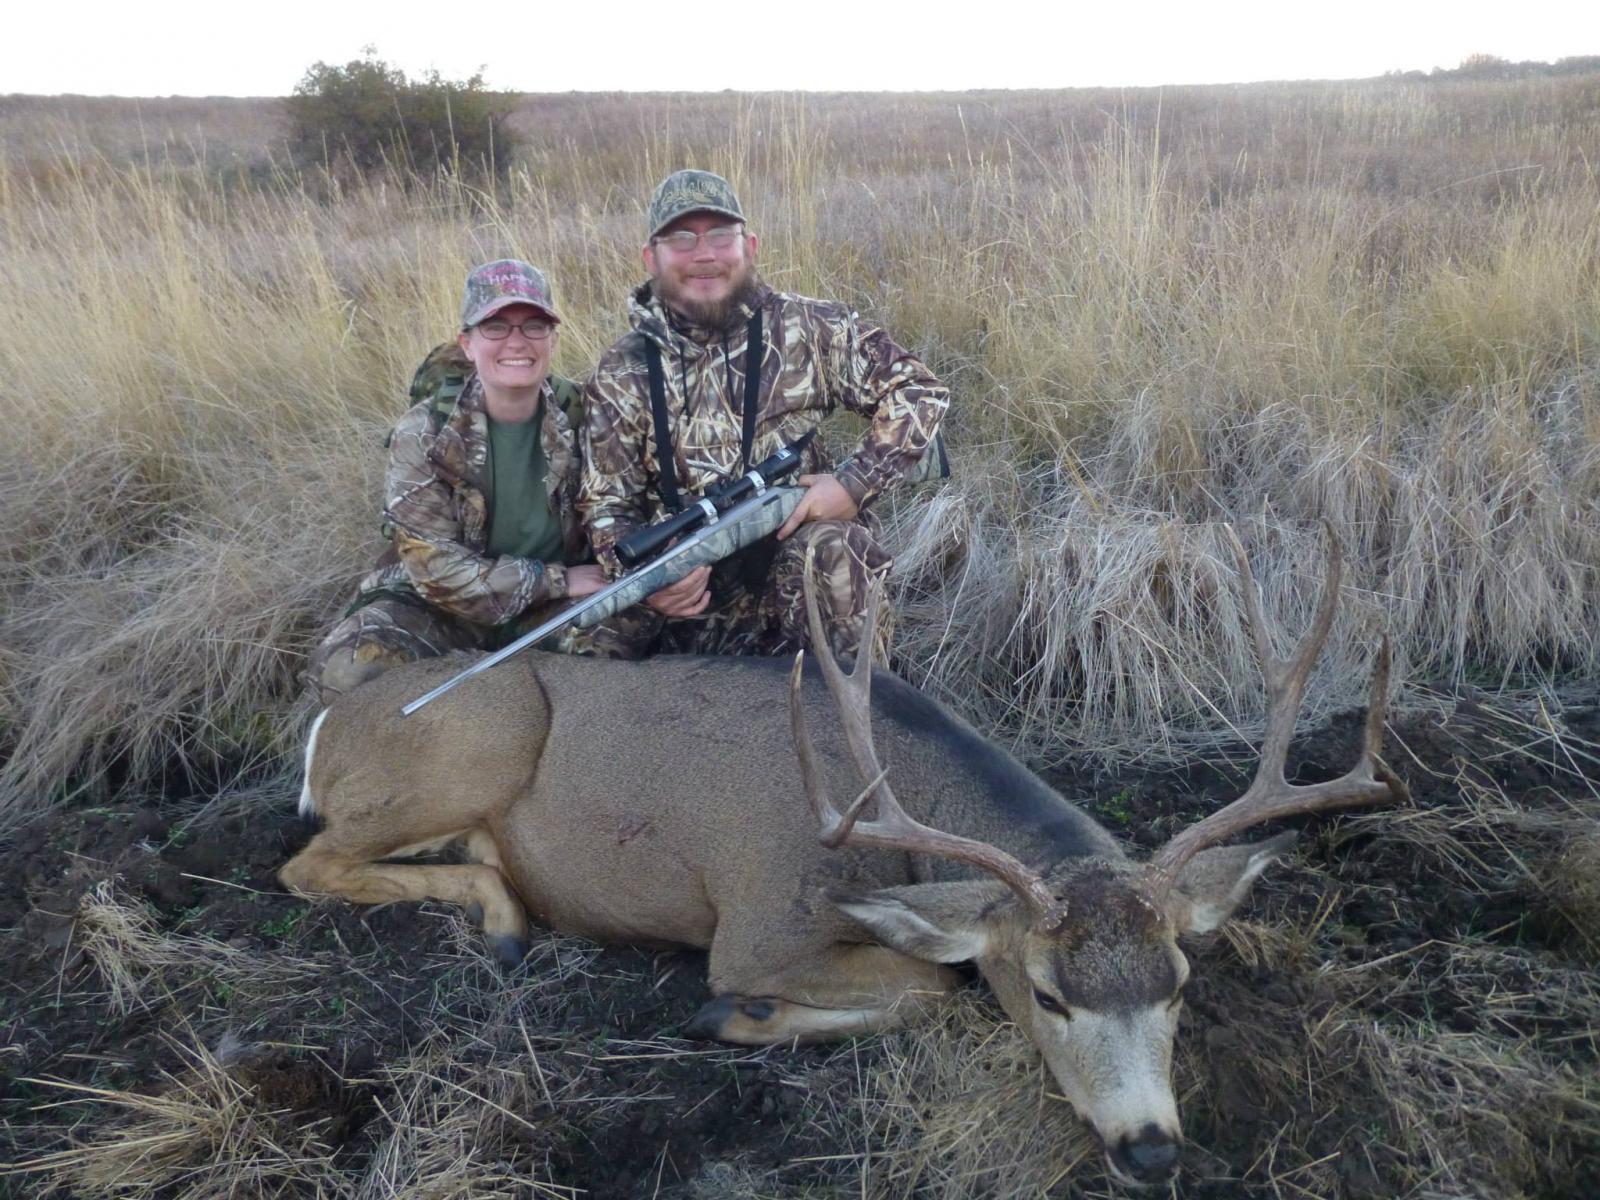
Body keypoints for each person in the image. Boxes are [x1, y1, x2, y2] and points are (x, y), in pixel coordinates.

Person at [581, 170, 950, 662]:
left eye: (720, 234)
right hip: (687, 596)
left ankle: (863, 722)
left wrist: (853, 484)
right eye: (682, 238)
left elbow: (919, 389)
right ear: (651, 258)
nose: (704, 253)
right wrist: (645, 582)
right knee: (583, 638)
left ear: (749, 246)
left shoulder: (810, 326)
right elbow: (607, 503)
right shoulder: (620, 368)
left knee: (836, 552)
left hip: (791, 574)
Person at [308, 259, 613, 703]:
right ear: (467, 344)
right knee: (349, 671)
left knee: (618, 642)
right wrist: (558, 581)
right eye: (495, 327)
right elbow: (437, 573)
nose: (516, 342)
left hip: (548, 609)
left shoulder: (590, 416)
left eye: (533, 325)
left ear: (553, 340)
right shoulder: (424, 432)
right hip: (443, 606)